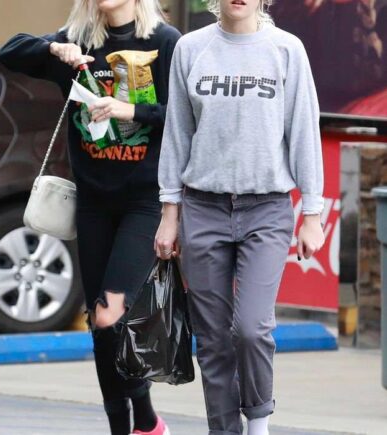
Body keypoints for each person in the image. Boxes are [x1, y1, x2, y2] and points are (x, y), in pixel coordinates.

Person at [0, 1, 180, 434]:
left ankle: (149, 422)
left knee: (109, 315)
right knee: (98, 326)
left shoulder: (164, 42)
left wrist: (128, 111)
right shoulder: (77, 42)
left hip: (144, 199)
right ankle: (128, 426)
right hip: (93, 202)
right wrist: (52, 51)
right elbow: (9, 52)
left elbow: (183, 116)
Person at [155, 1, 325, 434]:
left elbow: (304, 129)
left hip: (266, 208)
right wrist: (169, 213)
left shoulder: (287, 49)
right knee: (212, 340)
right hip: (202, 207)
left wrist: (312, 212)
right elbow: (177, 133)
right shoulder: (191, 49)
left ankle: (259, 419)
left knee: (251, 328)